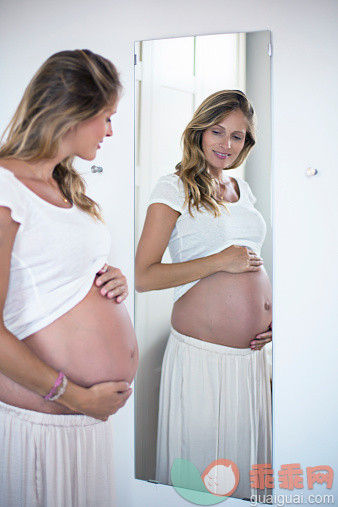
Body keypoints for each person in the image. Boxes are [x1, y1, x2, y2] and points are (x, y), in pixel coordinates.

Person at [0, 49, 138, 506]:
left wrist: (107, 277)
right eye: (106, 117)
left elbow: (55, 271)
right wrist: (76, 397)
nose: (111, 131)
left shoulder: (63, 185)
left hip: (82, 418)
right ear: (73, 111)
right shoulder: (5, 187)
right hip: (47, 419)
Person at [135, 90, 272, 499]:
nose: (225, 145)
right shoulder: (173, 188)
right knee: (203, 479)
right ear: (199, 131)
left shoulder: (241, 190)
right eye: (217, 131)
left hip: (251, 358)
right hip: (201, 358)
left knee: (246, 473)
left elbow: (253, 264)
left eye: (237, 137)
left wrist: (270, 317)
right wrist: (218, 261)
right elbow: (144, 276)